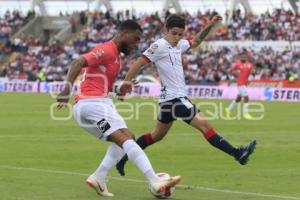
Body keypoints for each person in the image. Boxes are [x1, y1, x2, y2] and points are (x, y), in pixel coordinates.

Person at [115, 14, 257, 176]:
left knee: (156, 136)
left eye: (180, 34)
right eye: (174, 33)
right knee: (206, 127)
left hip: (168, 102)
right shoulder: (158, 46)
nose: (177, 38)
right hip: (176, 100)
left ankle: (123, 158)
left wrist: (209, 25)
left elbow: (195, 41)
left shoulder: (179, 45)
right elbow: (138, 64)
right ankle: (238, 154)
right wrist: (126, 84)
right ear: (166, 30)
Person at [56, 20, 181, 197]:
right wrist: (66, 88)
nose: (136, 45)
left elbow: (101, 84)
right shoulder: (107, 50)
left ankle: (98, 177)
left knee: (127, 136)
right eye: (135, 39)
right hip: (94, 104)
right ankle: (155, 180)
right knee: (125, 139)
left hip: (91, 106)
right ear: (123, 34)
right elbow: (78, 62)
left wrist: (120, 89)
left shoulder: (116, 57)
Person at [225, 52, 256, 119]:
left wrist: (253, 74)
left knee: (238, 98)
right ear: (240, 58)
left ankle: (228, 109)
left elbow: (253, 72)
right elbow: (230, 71)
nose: (243, 58)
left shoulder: (249, 65)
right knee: (246, 97)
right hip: (240, 83)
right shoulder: (237, 64)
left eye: (244, 57)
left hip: (245, 83)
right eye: (242, 57)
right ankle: (246, 113)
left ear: (246, 58)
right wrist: (235, 76)